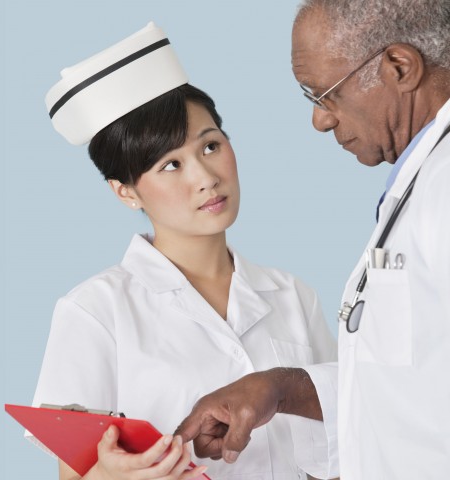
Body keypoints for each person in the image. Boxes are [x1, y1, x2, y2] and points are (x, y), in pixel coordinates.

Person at [30, 22, 337, 480]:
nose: (205, 177)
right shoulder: (94, 310)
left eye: (210, 145)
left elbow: (339, 439)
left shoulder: (294, 295)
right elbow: (74, 474)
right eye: (170, 164)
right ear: (125, 192)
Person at [176, 1, 450, 479]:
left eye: (325, 95)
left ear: (400, 67)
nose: (321, 121)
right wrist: (283, 389)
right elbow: (414, 380)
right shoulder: (422, 185)